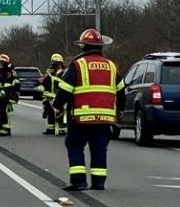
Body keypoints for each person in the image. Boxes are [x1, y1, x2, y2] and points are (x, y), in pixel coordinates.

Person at [51, 29, 125, 191]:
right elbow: (121, 90)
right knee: (99, 147)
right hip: (105, 118)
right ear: (100, 47)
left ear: (83, 46)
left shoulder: (78, 65)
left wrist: (57, 106)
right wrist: (120, 110)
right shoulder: (111, 66)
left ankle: (78, 181)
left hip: (81, 116)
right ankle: (98, 182)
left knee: (75, 144)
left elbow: (65, 88)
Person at [0, 53, 20, 135]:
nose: (2, 63)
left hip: (7, 93)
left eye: (3, 62)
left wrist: (15, 93)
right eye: (1, 62)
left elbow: (16, 82)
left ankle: (6, 128)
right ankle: (0, 124)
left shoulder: (12, 72)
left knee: (3, 111)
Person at [38, 54, 67, 136]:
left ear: (61, 63)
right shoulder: (49, 72)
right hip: (49, 96)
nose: (55, 64)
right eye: (53, 62)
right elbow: (43, 80)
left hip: (59, 95)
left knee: (60, 112)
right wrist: (40, 83)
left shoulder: (64, 73)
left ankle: (62, 129)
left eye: (57, 63)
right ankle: (51, 128)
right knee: (49, 112)